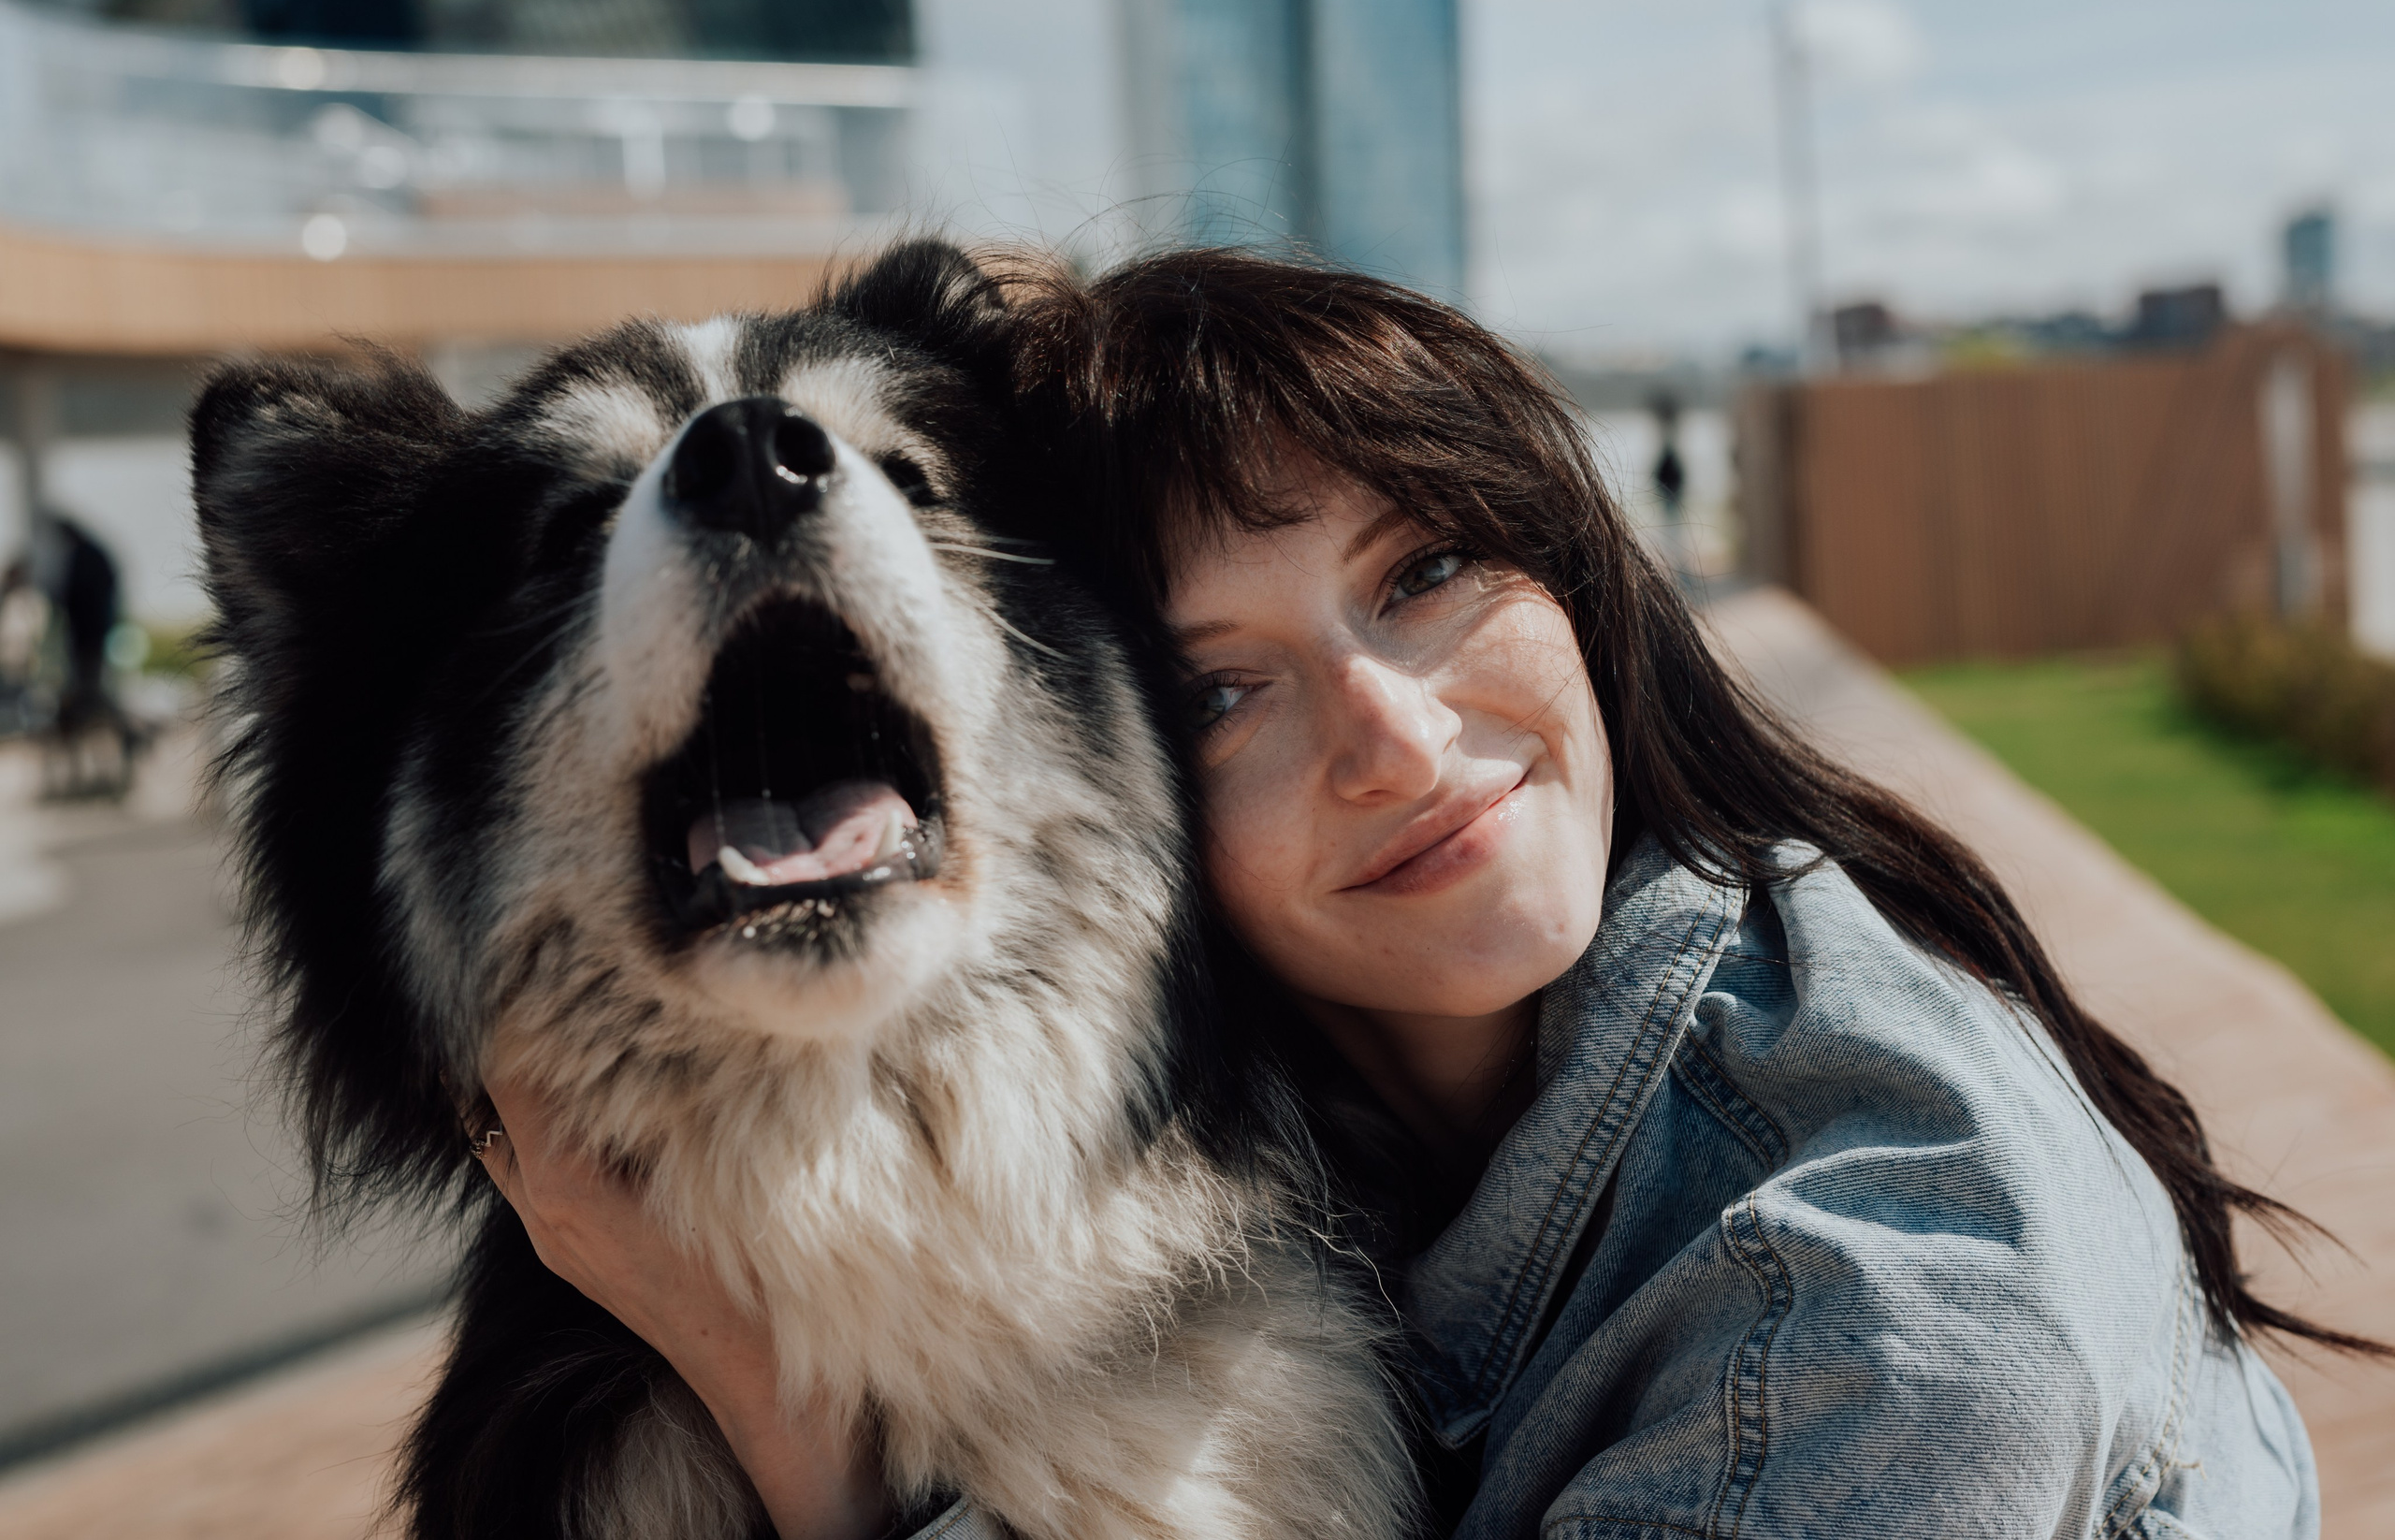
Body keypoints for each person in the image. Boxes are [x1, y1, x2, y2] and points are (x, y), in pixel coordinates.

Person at [480, 247, 2373, 1539]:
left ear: (1576, 566)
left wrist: (799, 1436)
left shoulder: (1873, 1342)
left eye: (1427, 570)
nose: (1392, 738)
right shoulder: (1312, 1112)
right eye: (1222, 689)